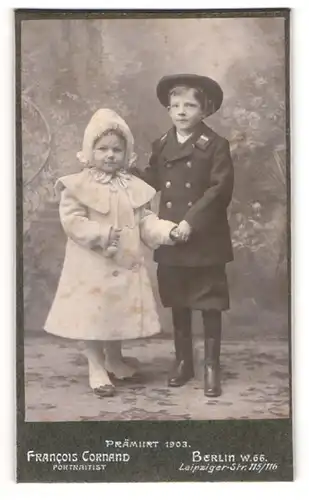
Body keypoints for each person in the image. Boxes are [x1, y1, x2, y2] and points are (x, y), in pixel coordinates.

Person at [44, 108, 179, 398]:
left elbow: (145, 221)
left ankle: (114, 358)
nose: (110, 155)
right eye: (102, 148)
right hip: (91, 263)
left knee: (115, 312)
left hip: (123, 261)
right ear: (89, 150)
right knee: (94, 315)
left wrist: (167, 231)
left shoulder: (132, 186)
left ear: (126, 153)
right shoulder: (77, 186)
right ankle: (96, 365)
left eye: (117, 150)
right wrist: (101, 234)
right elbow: (73, 222)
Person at [137, 74, 234, 397]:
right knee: (178, 300)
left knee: (209, 303)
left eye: (189, 105)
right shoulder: (162, 144)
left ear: (204, 111)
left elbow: (219, 190)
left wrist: (191, 221)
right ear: (168, 109)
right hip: (171, 234)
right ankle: (183, 362)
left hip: (204, 235)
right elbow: (152, 179)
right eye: (175, 105)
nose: (181, 111)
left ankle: (210, 366)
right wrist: (126, 172)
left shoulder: (215, 145)